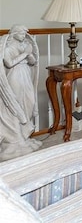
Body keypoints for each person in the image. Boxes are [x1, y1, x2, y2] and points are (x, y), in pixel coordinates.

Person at [0, 25, 41, 160]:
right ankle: (16, 139)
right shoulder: (7, 48)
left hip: (26, 75)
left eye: (25, 33)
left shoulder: (26, 46)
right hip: (15, 77)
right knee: (16, 104)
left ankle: (24, 134)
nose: (24, 35)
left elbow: (34, 61)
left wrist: (29, 53)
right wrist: (24, 54)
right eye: (22, 33)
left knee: (29, 101)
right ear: (14, 34)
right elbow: (9, 63)